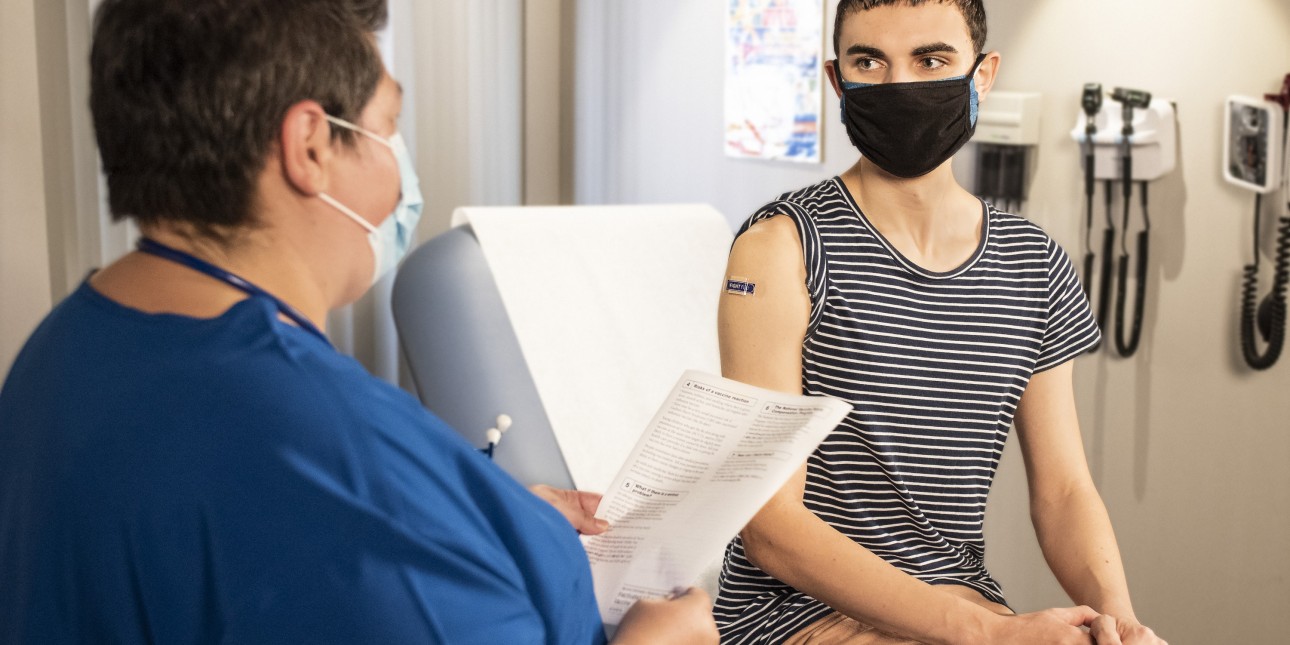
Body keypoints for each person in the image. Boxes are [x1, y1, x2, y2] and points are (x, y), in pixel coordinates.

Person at [0, 0, 717, 643]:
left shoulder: (59, 351)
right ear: (310, 146)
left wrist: (485, 512)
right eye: (389, 125)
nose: (399, 174)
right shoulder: (340, 456)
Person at [712, 1, 1165, 644]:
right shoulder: (780, 248)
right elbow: (769, 526)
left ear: (982, 75)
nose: (902, 87)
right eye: (870, 62)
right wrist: (985, 634)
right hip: (796, 612)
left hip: (961, 600)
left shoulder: (1034, 262)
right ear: (839, 81)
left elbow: (1064, 492)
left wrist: (1121, 625)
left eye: (931, 60)